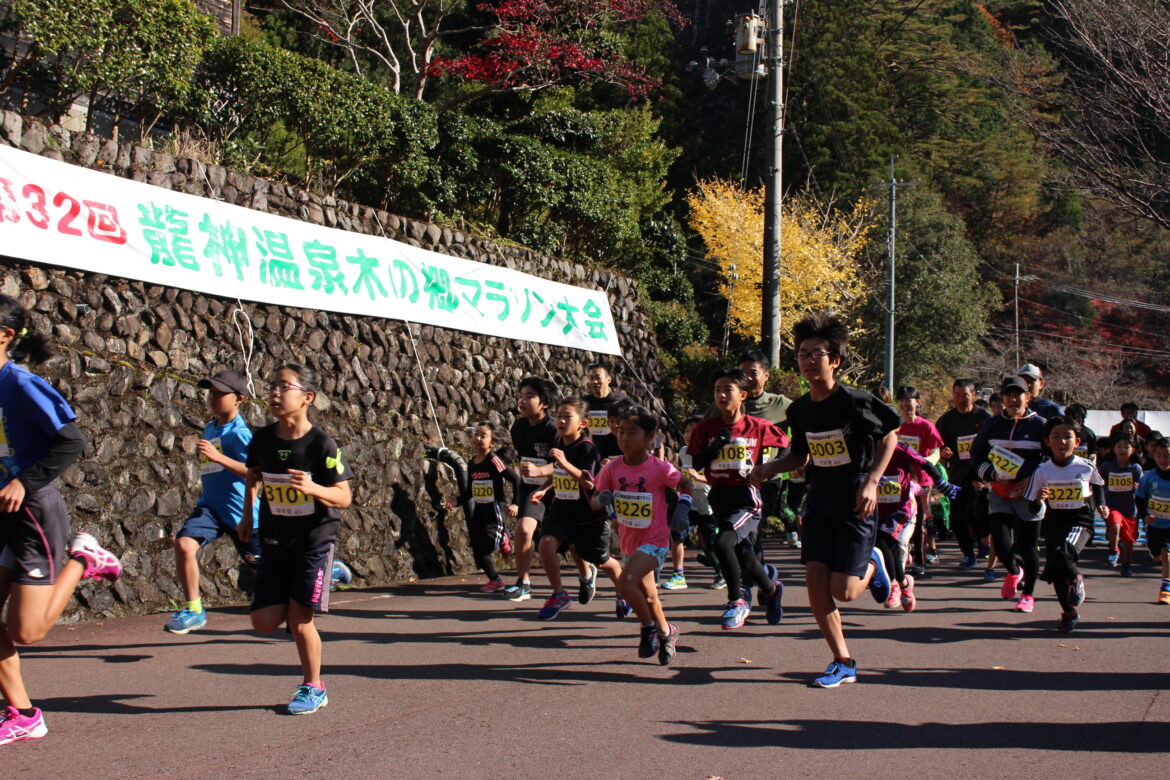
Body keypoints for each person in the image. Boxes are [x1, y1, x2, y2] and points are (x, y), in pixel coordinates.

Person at [751, 312, 901, 688]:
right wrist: (767, 469)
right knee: (815, 584)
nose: (807, 360)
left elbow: (890, 436)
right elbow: (799, 456)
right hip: (819, 499)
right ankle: (843, 660)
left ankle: (874, 561)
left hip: (854, 497)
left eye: (816, 353)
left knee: (844, 591)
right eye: (802, 353)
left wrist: (872, 480)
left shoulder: (856, 401)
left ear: (834, 360)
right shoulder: (799, 409)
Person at [0, 293, 122, 746]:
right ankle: (24, 713)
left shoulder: (21, 383)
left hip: (32, 512)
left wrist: (24, 482)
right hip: (2, 514)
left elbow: (72, 441)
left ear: (6, 335)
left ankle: (83, 559)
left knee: (26, 631)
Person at [239, 363, 352, 715]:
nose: (274, 392)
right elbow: (253, 476)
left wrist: (312, 487)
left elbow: (344, 496)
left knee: (300, 619)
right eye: (272, 385)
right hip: (275, 539)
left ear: (307, 397)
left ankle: (313, 687)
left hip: (314, 540)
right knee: (264, 622)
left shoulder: (321, 443)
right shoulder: (262, 439)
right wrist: (247, 516)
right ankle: (332, 573)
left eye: (283, 386)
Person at [689, 368, 789, 630]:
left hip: (747, 495)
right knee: (744, 555)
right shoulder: (706, 428)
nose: (721, 395)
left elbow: (787, 447)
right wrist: (714, 447)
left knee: (723, 543)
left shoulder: (757, 427)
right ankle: (771, 588)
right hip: (719, 495)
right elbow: (697, 461)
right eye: (717, 390)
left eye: (728, 390)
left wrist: (769, 468)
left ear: (743, 395)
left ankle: (736, 601)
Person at [594, 406, 693, 664]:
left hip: (656, 541)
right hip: (629, 543)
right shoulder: (612, 469)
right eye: (620, 432)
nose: (625, 438)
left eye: (632, 433)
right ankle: (666, 631)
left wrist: (682, 510)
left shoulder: (659, 468)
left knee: (625, 582)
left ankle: (647, 628)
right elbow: (594, 498)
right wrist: (601, 498)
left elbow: (686, 483)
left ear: (650, 438)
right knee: (649, 596)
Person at [165, 370, 260, 634]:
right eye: (211, 393)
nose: (213, 398)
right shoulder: (210, 426)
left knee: (268, 578)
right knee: (184, 545)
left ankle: (326, 571)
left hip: (242, 514)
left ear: (239, 399)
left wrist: (218, 458)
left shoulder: (240, 433)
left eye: (220, 394)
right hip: (211, 507)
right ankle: (194, 609)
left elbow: (255, 472)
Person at [527, 398, 621, 619]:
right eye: (559, 415)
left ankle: (623, 591)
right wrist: (544, 488)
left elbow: (589, 482)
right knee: (546, 545)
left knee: (602, 559)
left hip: (588, 514)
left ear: (583, 423)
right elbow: (558, 472)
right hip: (561, 509)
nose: (560, 420)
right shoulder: (559, 442)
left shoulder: (587, 448)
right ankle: (559, 594)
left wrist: (564, 462)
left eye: (567, 416)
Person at [970, 376, 1047, 613]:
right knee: (1002, 545)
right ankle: (1014, 571)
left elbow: (1049, 457)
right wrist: (991, 474)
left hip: (1029, 494)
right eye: (1009, 394)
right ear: (1002, 398)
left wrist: (1032, 480)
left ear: (1028, 397)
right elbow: (977, 454)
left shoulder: (1041, 425)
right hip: (1000, 493)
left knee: (1028, 547)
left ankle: (1028, 595)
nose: (1014, 399)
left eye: (1019, 394)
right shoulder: (992, 424)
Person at [509, 377, 589, 603]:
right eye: (521, 396)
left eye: (529, 397)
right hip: (531, 489)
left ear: (544, 403)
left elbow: (564, 465)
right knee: (524, 530)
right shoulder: (518, 427)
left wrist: (540, 473)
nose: (523, 401)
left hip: (559, 489)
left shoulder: (554, 429)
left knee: (573, 544)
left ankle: (585, 575)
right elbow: (526, 461)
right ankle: (523, 583)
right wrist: (530, 475)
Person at [1026, 416, 1104, 633]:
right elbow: (1032, 509)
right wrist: (1039, 499)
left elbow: (1099, 486)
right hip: (1054, 523)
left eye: (1067, 437)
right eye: (1056, 437)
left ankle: (1076, 579)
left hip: (1081, 520)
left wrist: (1103, 506)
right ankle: (1069, 612)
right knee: (1057, 571)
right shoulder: (1042, 471)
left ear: (1077, 441)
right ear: (1047, 442)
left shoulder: (1085, 466)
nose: (1062, 442)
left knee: (1063, 555)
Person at [446, 423, 519, 592]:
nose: (478, 438)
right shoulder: (472, 463)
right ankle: (495, 580)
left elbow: (515, 479)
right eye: (476, 435)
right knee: (477, 548)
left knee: (486, 546)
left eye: (483, 436)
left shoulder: (493, 459)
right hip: (480, 509)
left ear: (492, 443)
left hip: (495, 510)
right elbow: (471, 490)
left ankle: (503, 536)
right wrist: (457, 501)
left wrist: (515, 503)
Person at [935, 379, 992, 569]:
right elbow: (939, 445)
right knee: (958, 518)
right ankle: (968, 554)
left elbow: (994, 444)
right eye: (957, 395)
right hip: (957, 475)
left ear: (973, 395)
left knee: (974, 513)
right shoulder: (947, 420)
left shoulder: (984, 417)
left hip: (979, 474)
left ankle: (983, 540)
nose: (961, 399)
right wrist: (944, 451)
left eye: (965, 395)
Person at [665, 415, 720, 591]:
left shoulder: (713, 453)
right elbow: (683, 474)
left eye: (695, 431)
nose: (689, 434)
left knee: (708, 542)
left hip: (708, 504)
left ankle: (722, 573)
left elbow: (719, 479)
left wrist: (699, 477)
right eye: (687, 431)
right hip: (688, 501)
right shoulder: (683, 452)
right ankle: (678, 575)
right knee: (677, 534)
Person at [895, 386, 944, 574]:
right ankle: (903, 555)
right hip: (899, 482)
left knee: (919, 520)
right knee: (902, 520)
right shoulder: (896, 426)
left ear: (918, 403)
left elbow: (936, 453)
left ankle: (919, 562)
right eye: (903, 399)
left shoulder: (926, 426)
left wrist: (923, 462)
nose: (906, 403)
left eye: (910, 399)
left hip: (922, 482)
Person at [1099, 436, 1143, 574]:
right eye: (1119, 446)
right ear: (1114, 449)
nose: (1122, 449)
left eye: (1126, 447)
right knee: (1115, 525)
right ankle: (1114, 550)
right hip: (1113, 506)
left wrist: (1138, 487)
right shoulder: (1107, 466)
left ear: (1133, 450)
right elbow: (1098, 483)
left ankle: (1126, 564)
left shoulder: (1135, 468)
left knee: (1129, 540)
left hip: (1130, 509)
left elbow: (1142, 487)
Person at [1135, 437, 1170, 605]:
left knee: (1167, 555)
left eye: (1168, 455)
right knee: (1157, 555)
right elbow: (1140, 498)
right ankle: (1158, 556)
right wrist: (1145, 516)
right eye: (1160, 455)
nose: (1164, 459)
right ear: (1153, 456)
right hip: (1155, 525)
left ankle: (1165, 589)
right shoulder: (1149, 477)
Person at [581, 364, 628, 461]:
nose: (594, 381)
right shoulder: (583, 403)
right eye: (591, 378)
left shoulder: (621, 401)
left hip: (615, 452)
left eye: (598, 378)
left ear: (609, 380)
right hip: (590, 452)